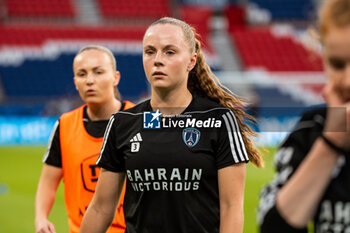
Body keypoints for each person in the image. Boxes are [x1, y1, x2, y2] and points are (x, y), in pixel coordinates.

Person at [80, 17, 263, 233]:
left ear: (191, 61)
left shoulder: (220, 120)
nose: (157, 60)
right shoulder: (122, 123)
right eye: (150, 52)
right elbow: (101, 208)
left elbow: (231, 208)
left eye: (169, 52)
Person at [258, 0, 350, 232]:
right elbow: (274, 228)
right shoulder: (312, 128)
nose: (348, 81)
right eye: (338, 64)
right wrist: (332, 143)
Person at [35, 45, 135, 233]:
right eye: (82, 74)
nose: (90, 80)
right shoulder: (65, 125)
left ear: (116, 78)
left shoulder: (138, 120)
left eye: (98, 72)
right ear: (75, 82)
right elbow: (48, 181)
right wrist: (41, 218)